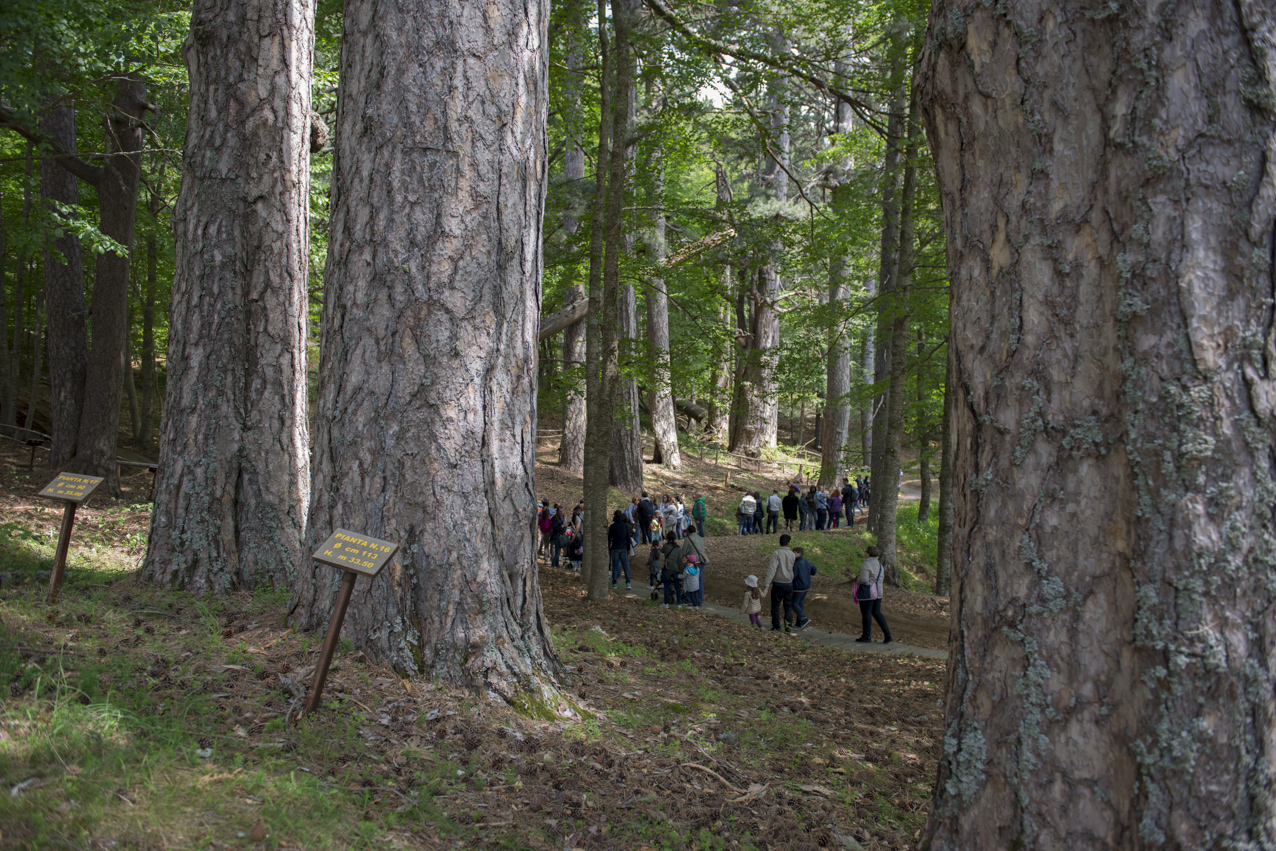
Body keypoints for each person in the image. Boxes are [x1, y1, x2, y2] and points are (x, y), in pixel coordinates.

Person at [855, 546, 893, 644]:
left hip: (868, 592)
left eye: (866, 552)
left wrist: (857, 579)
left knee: (866, 613)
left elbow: (864, 579)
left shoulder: (866, 564)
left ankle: (866, 635)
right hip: (878, 592)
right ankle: (887, 634)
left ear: (868, 553)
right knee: (876, 613)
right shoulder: (879, 564)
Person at [762, 534, 797, 632]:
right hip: (789, 583)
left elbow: (772, 569)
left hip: (778, 583)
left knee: (775, 606)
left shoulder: (776, 553)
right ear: (788, 543)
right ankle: (788, 626)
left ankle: (776, 626)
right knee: (788, 606)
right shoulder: (792, 554)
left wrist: (767, 583)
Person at [791, 546, 817, 629]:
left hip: (798, 587)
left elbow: (794, 576)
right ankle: (799, 623)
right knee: (800, 603)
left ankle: (803, 618)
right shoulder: (807, 562)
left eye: (794, 553)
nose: (793, 554)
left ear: (799, 553)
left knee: (794, 603)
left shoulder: (796, 564)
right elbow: (814, 570)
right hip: (806, 586)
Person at [608, 509, 633, 589]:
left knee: (615, 565)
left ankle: (614, 583)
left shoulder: (612, 526)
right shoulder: (625, 526)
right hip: (623, 547)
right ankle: (628, 583)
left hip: (615, 547)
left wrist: (609, 548)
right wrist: (628, 548)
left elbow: (609, 538)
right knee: (626, 566)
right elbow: (628, 538)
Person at [660, 531, 683, 608]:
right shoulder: (678, 548)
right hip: (676, 568)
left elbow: (662, 551)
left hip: (668, 567)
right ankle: (679, 603)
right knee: (677, 586)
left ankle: (666, 603)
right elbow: (680, 560)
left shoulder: (665, 546)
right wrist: (681, 570)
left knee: (666, 585)